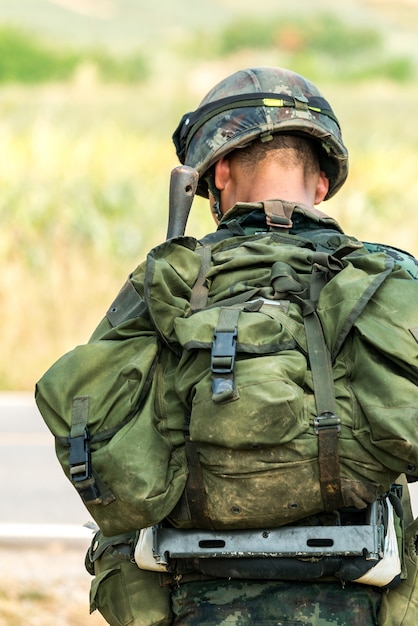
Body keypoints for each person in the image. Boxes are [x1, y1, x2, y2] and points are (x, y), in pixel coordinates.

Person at [72, 66, 418, 624]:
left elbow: (98, 442)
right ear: (323, 183)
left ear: (220, 173)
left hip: (191, 602)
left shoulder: (165, 282)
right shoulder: (386, 278)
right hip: (361, 600)